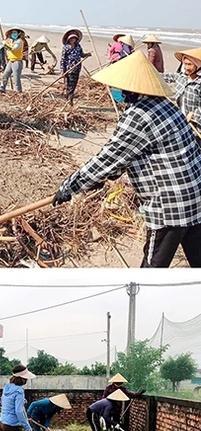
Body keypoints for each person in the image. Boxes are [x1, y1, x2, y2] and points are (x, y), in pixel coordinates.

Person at [52, 52, 201, 268]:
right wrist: (98, 181)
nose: (119, 92)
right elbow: (122, 160)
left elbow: (109, 157)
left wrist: (70, 187)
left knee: (152, 269)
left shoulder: (140, 115)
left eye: (122, 88)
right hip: (194, 197)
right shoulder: (165, 105)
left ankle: (142, 302)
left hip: (170, 206)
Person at [164, 47, 201, 133]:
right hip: (183, 121)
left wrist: (195, 114)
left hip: (197, 125)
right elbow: (165, 76)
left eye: (189, 64)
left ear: (198, 65)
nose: (186, 67)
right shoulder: (181, 77)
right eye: (185, 64)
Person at [60, 29, 92, 106]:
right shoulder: (66, 47)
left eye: (74, 38)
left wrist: (87, 54)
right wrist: (62, 70)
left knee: (73, 85)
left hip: (77, 68)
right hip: (69, 69)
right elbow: (63, 60)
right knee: (69, 85)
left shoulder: (78, 46)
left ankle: (69, 99)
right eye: (71, 38)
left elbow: (81, 55)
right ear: (68, 39)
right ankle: (69, 100)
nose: (72, 40)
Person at [0, 28, 26, 93]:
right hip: (10, 61)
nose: (13, 34)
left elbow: (14, 49)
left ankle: (18, 91)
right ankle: (2, 88)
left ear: (18, 33)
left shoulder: (19, 41)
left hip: (17, 62)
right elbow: (9, 49)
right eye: (12, 33)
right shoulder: (12, 41)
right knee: (5, 75)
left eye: (15, 32)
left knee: (16, 78)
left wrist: (5, 44)